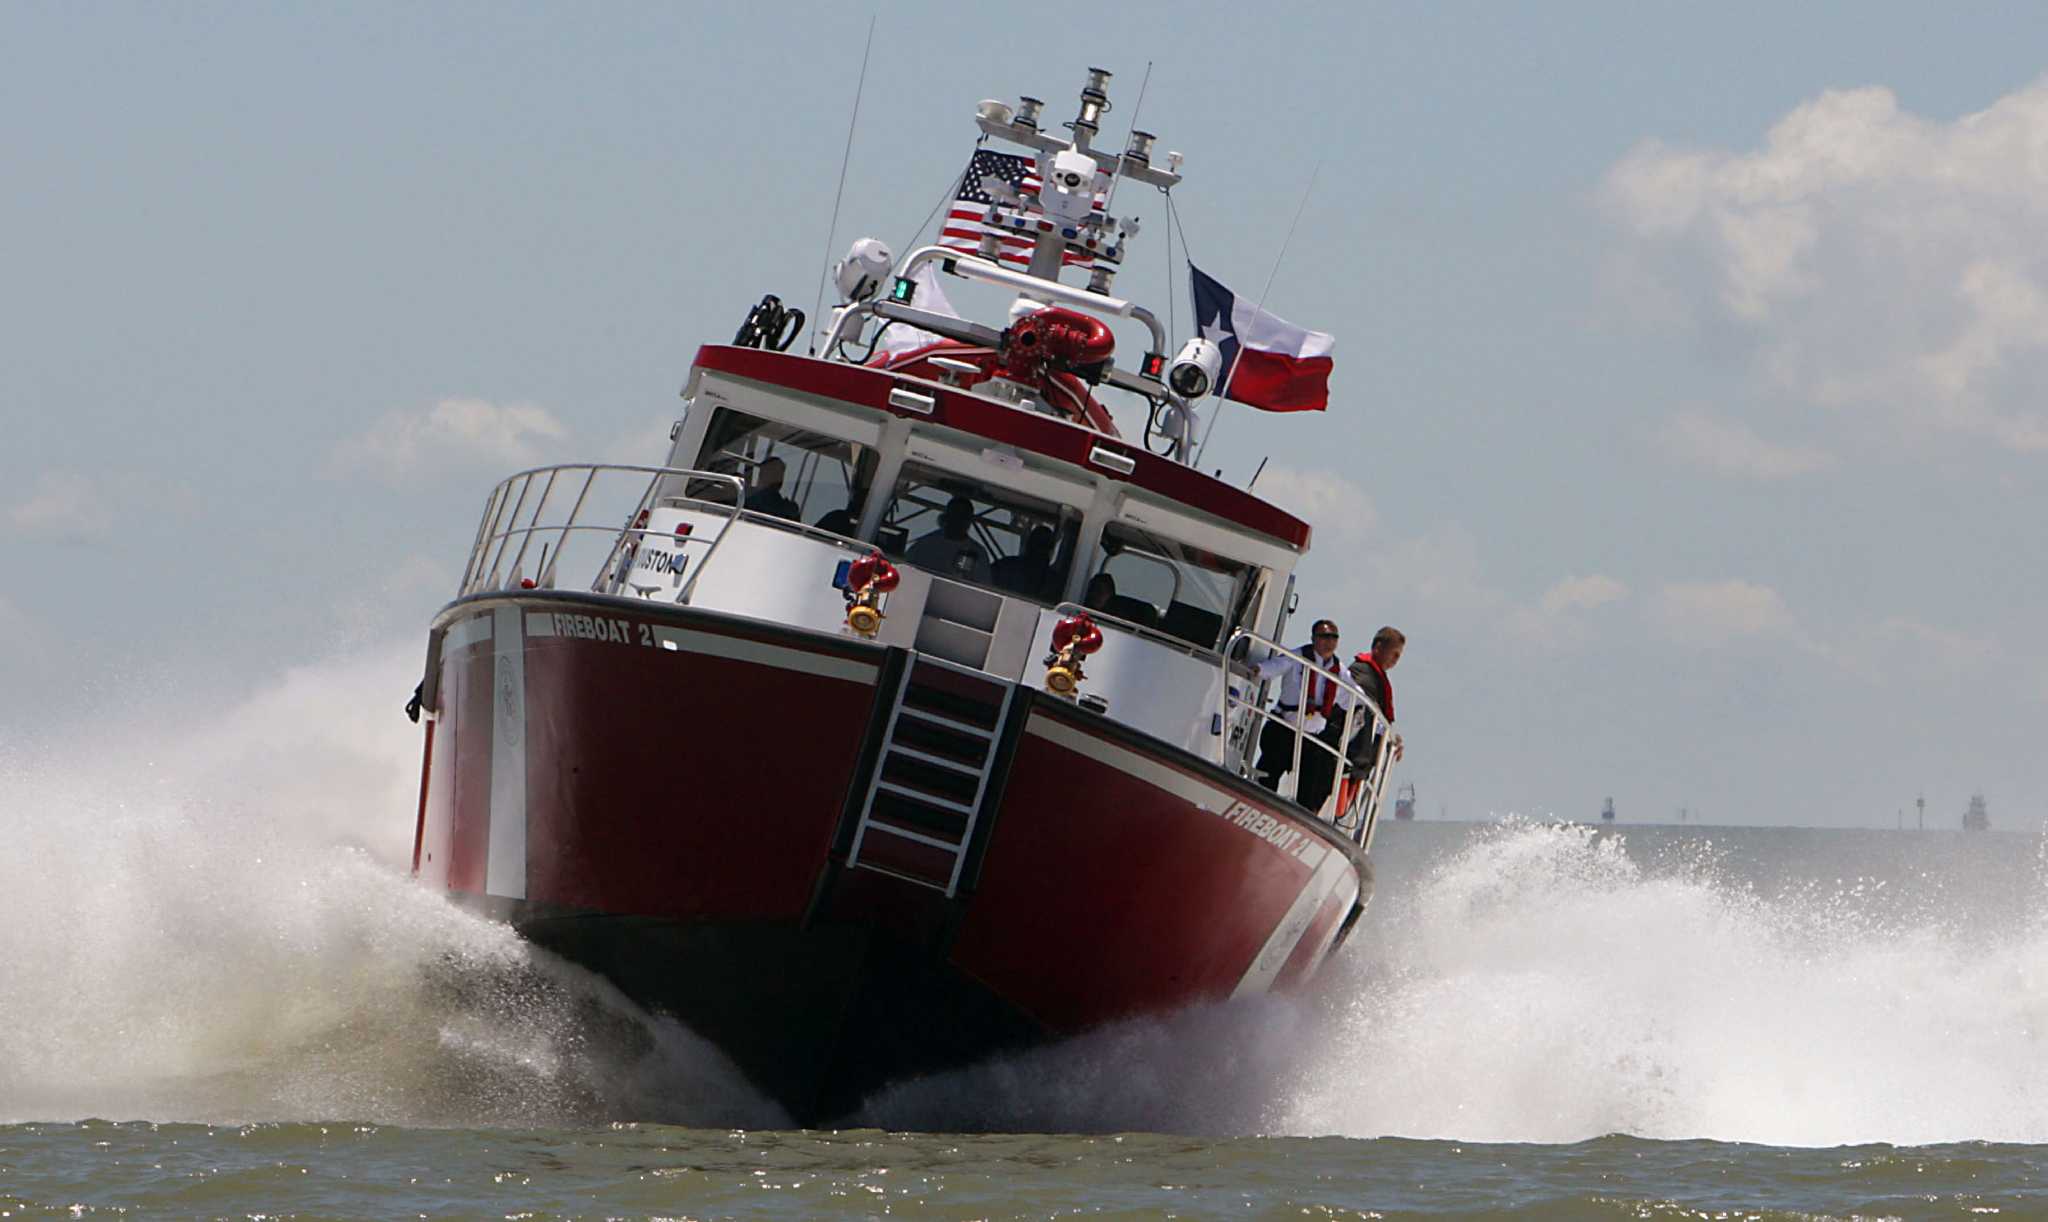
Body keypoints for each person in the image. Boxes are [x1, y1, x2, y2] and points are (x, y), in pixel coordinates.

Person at [1250, 619, 1345, 811]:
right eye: (1324, 636)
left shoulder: (1340, 671)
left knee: (1310, 788)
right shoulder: (1297, 657)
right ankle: (1257, 807)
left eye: (1334, 637)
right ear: (1313, 638)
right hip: (1284, 730)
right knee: (1267, 775)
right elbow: (1276, 666)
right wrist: (1259, 669)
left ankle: (1302, 820)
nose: (1329, 641)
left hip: (1312, 738)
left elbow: (1356, 696)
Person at [1336, 627, 1406, 814]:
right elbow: (1365, 704)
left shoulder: (1376, 677)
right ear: (1378, 647)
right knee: (1335, 801)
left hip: (1361, 758)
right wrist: (1389, 736)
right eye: (1395, 654)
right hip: (1350, 753)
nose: (1396, 660)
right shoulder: (1362, 673)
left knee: (1343, 809)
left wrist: (1391, 738)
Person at [905, 494, 990, 582]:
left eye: (963, 516)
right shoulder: (924, 545)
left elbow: (984, 585)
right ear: (946, 517)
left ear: (969, 520)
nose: (958, 520)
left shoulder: (977, 553)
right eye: (955, 514)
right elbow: (905, 568)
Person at [991, 525, 1056, 598]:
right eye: (1039, 545)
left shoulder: (1054, 584)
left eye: (1046, 546)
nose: (1041, 551)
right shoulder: (1002, 567)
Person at [743, 456, 801, 521]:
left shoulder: (789, 508)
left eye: (780, 473)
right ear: (761, 473)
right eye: (773, 471)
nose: (778, 477)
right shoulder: (743, 495)